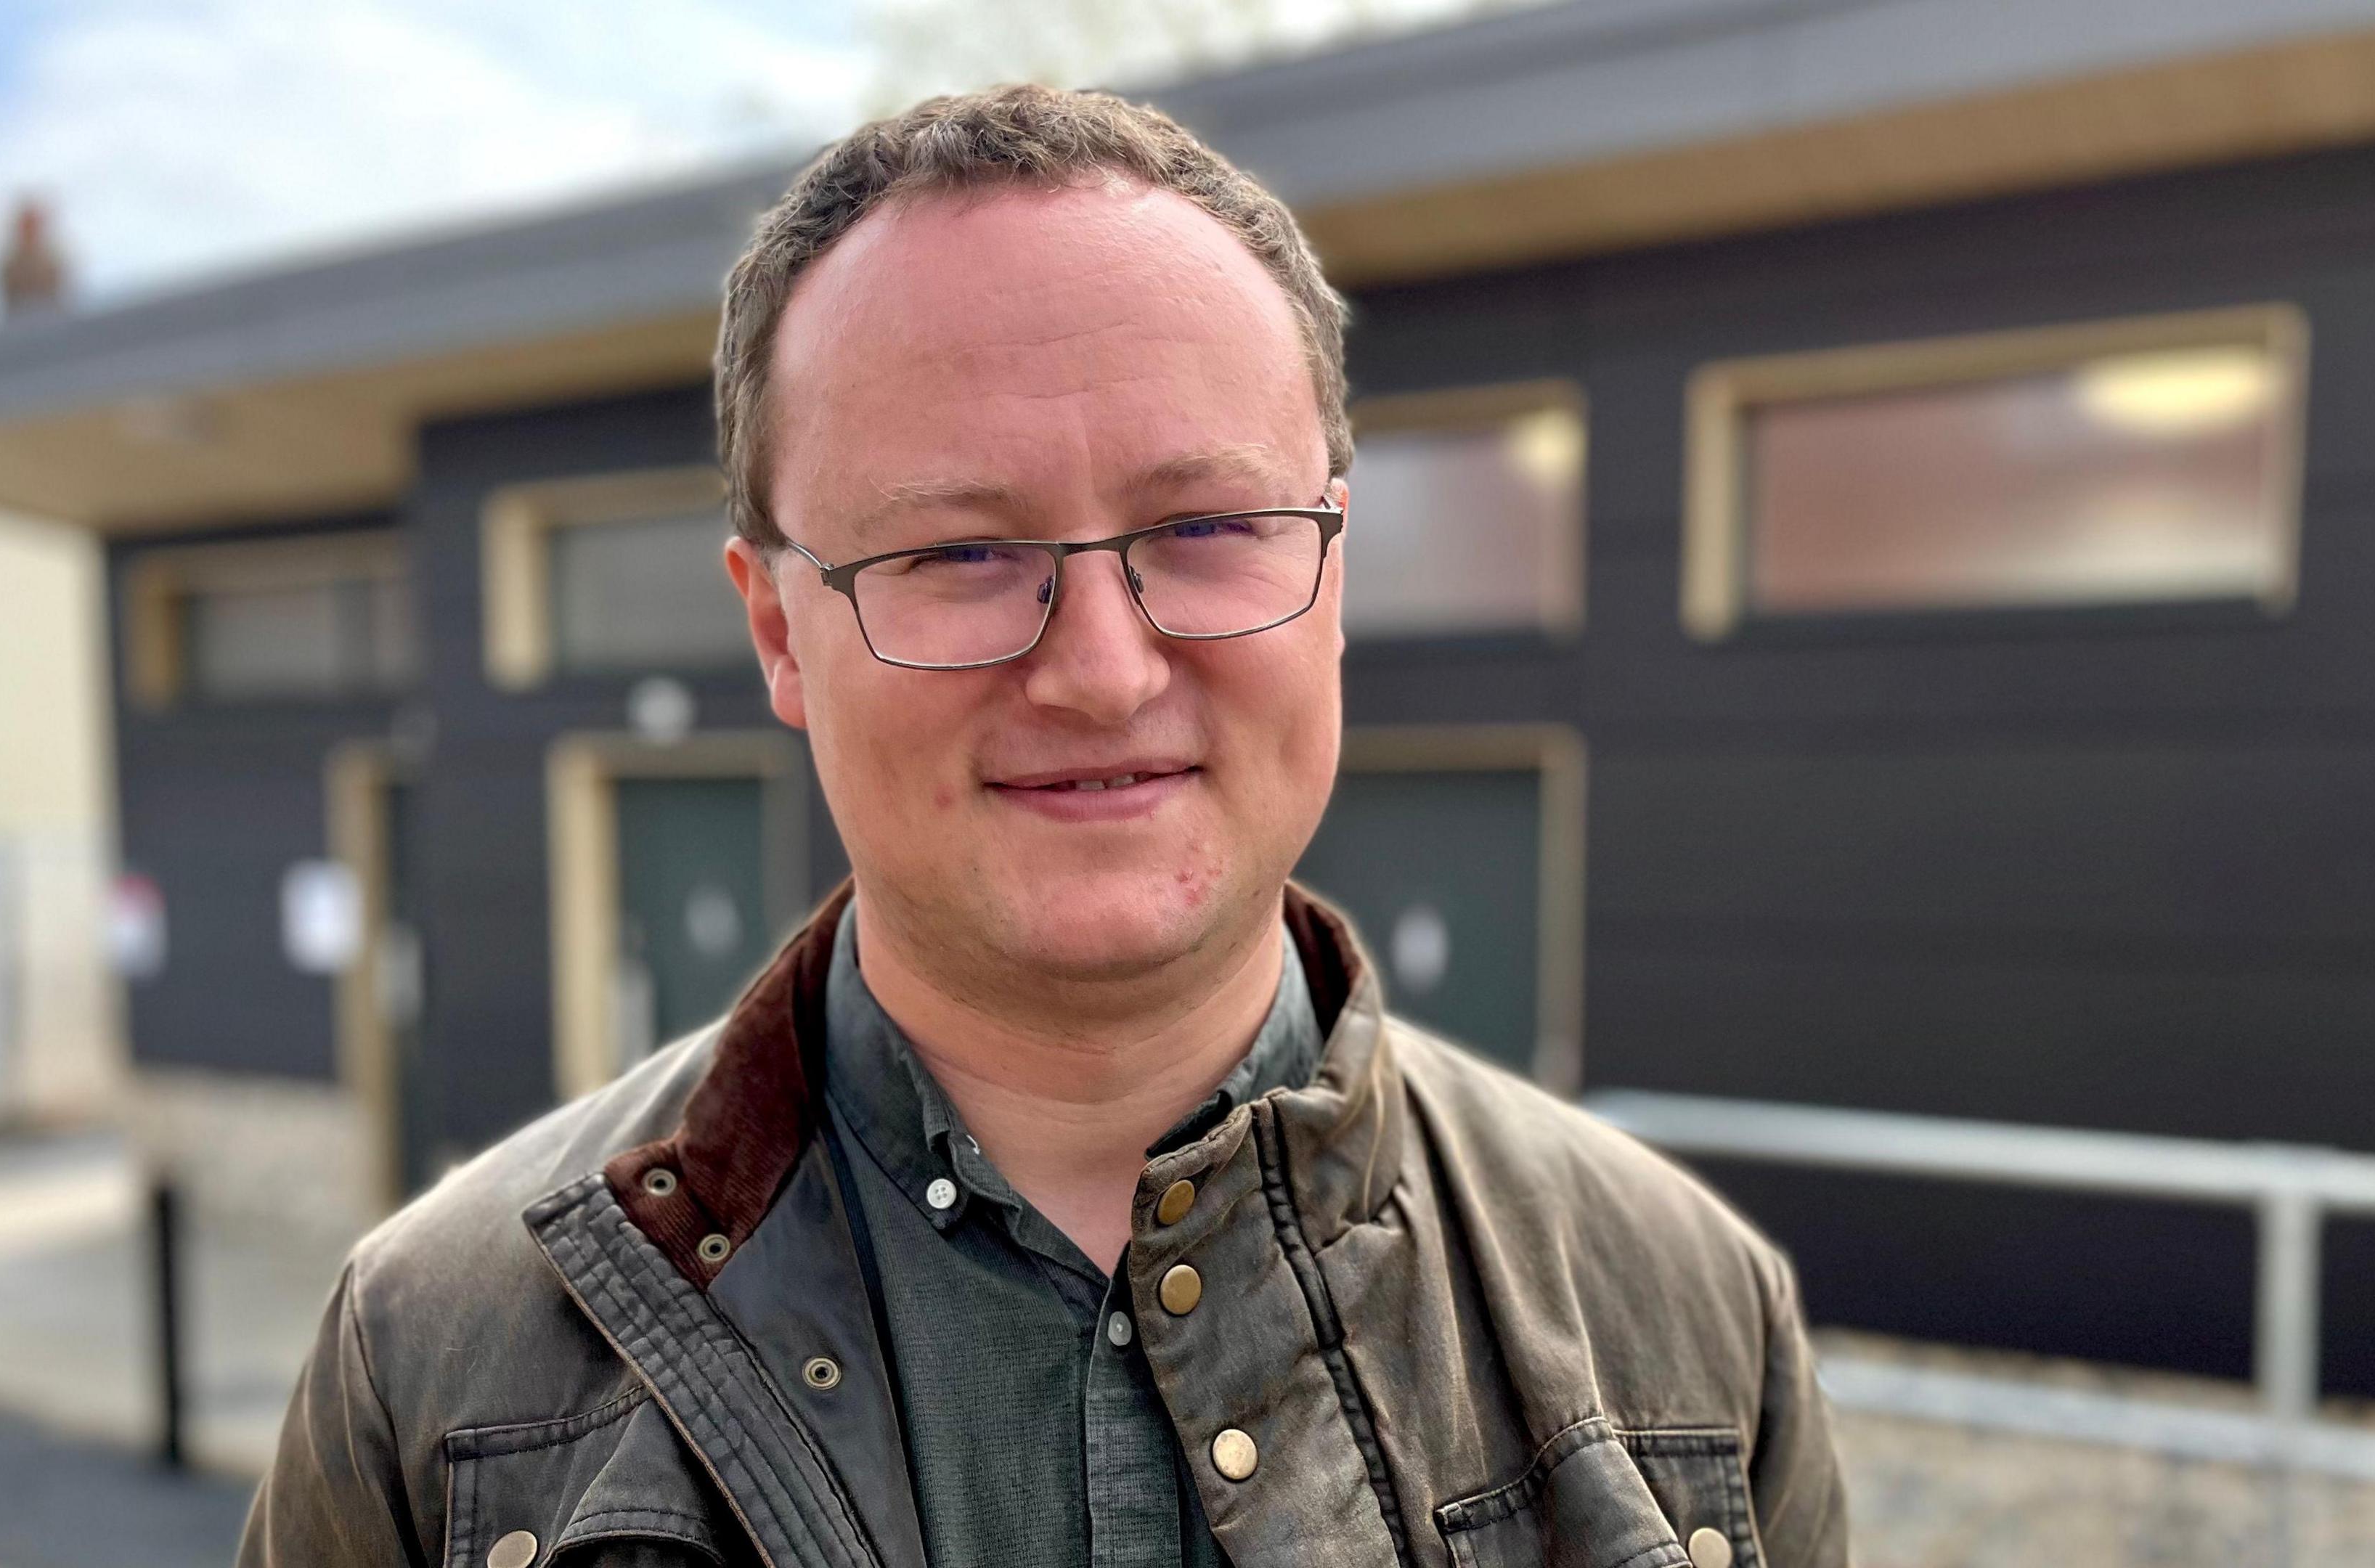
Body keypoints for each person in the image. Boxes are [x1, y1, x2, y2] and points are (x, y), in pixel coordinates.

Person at [240, 84, 1847, 1568]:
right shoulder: (426, 1370)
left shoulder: (1697, 1329)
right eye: (956, 553)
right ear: (780, 635)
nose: (1098, 669)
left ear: (1332, 584)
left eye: (1208, 527)